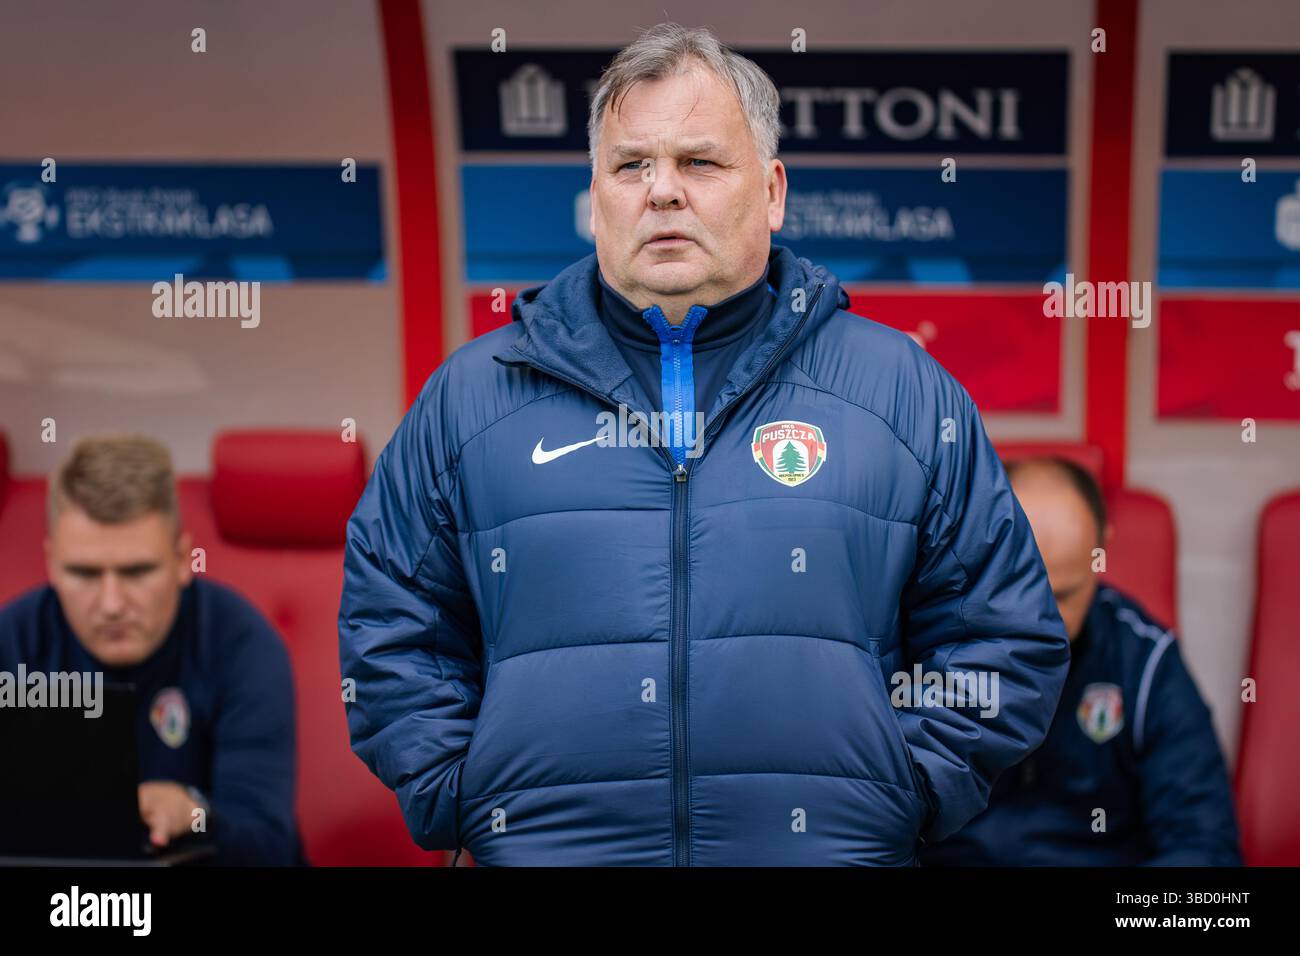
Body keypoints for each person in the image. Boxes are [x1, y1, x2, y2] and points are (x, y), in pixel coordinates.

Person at [339, 22, 1069, 866]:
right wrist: (460, 793)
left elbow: (1003, 636)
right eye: (632, 165)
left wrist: (898, 794)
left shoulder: (900, 391)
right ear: (596, 192)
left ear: (772, 190)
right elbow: (390, 624)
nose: (662, 192)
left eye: (699, 162)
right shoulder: (471, 399)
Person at [920, 456, 1243, 865]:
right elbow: (858, 823)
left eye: (1063, 596)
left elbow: (1204, 846)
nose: (1037, 621)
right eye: (1015, 590)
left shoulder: (1144, 662)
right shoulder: (921, 650)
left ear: (1100, 554)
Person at [0, 434, 304, 865]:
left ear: (182, 559)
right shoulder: (12, 643)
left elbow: (269, 847)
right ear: (50, 563)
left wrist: (195, 815)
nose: (111, 604)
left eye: (137, 571)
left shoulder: (241, 644)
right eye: (83, 573)